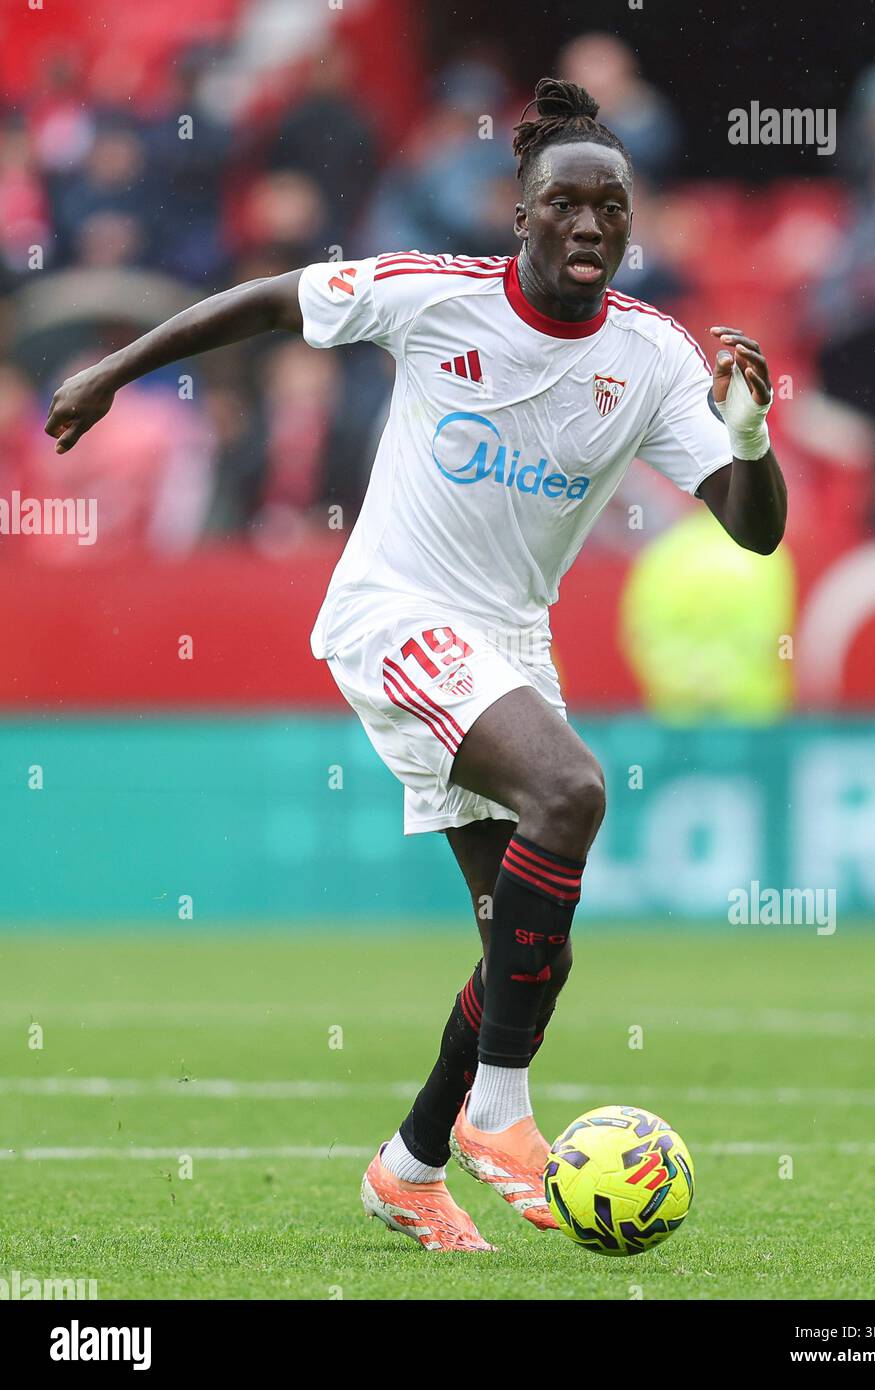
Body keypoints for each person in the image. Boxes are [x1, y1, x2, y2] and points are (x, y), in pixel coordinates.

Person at [45, 77, 787, 1252]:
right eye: (567, 207)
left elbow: (754, 527)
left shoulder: (651, 356)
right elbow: (267, 300)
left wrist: (748, 436)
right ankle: (503, 1115)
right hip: (395, 616)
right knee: (573, 790)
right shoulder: (431, 298)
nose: (591, 227)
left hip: (509, 641)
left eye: (612, 210)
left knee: (530, 946)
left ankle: (411, 1164)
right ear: (521, 216)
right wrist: (115, 369)